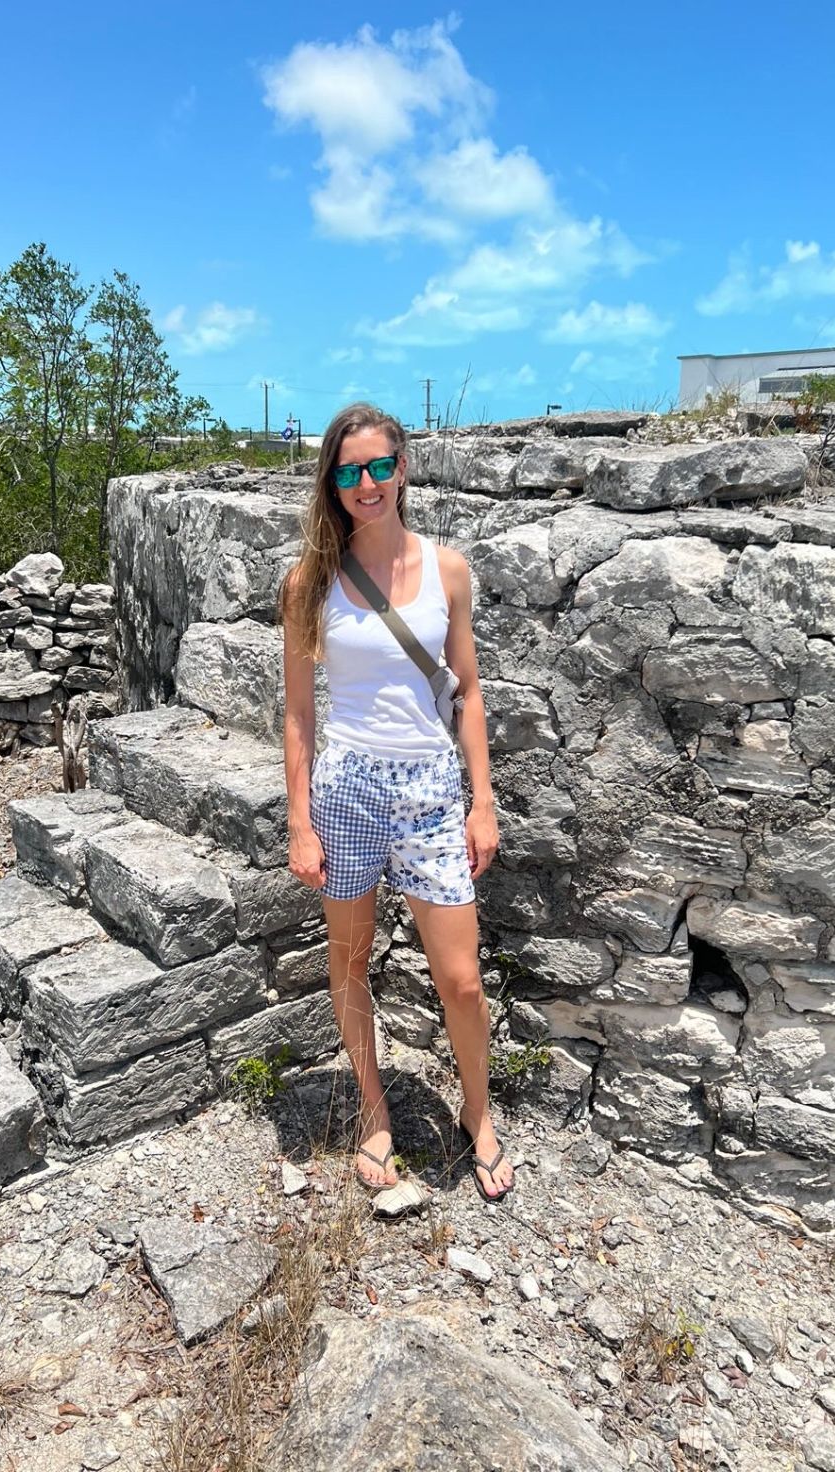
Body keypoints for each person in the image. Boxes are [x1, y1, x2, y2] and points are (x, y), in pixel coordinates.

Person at [280, 401, 514, 1202]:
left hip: (427, 791)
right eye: (349, 471)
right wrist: (300, 820)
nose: (366, 483)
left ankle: (478, 1117)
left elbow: (469, 692)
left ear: (404, 468)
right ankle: (373, 1111)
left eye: (380, 466)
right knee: (349, 965)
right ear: (332, 482)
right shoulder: (309, 580)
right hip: (346, 789)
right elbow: (299, 711)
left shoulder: (448, 569)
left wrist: (483, 801)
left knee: (461, 979)